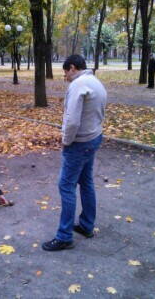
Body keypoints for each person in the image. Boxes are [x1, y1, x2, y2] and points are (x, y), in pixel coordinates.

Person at [42, 55, 106, 251]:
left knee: (66, 186)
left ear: (72, 68)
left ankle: (64, 236)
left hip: (79, 142)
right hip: (94, 137)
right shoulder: (96, 81)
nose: (66, 77)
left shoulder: (78, 84)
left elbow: (72, 121)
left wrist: (66, 141)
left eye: (65, 73)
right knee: (86, 182)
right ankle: (86, 226)